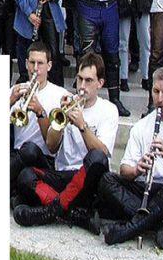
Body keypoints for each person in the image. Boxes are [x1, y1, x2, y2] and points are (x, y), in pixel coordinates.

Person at [99, 67, 163, 248]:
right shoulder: (141, 126)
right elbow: (124, 169)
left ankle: (131, 228)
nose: (160, 99)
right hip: (147, 189)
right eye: (156, 91)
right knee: (107, 179)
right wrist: (137, 168)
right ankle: (161, 226)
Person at [13, 53, 118, 232]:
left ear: (100, 83)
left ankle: (48, 212)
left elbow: (103, 153)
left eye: (89, 81)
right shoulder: (67, 103)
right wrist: (60, 123)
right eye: (79, 79)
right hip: (63, 174)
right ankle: (74, 215)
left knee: (97, 158)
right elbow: (51, 146)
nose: (82, 86)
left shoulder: (108, 110)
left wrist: (82, 126)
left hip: (87, 178)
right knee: (25, 176)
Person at [9, 42, 64, 197]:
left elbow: (52, 145)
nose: (35, 68)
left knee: (31, 149)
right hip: (18, 158)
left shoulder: (59, 95)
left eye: (40, 63)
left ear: (49, 66)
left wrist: (40, 112)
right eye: (32, 62)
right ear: (26, 63)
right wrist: (11, 101)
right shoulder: (17, 90)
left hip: (44, 159)